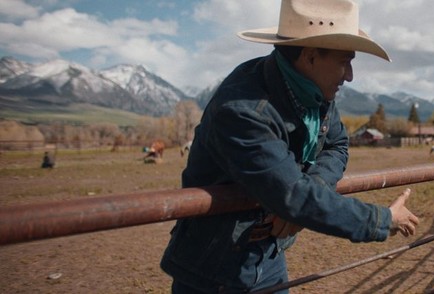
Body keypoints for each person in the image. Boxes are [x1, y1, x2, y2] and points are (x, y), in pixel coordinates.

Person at [160, 1, 420, 293]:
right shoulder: (243, 109)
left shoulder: (316, 94)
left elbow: (336, 145)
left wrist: (308, 191)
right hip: (214, 267)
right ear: (309, 57)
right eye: (345, 61)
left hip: (269, 256)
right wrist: (383, 219)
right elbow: (293, 195)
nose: (350, 75)